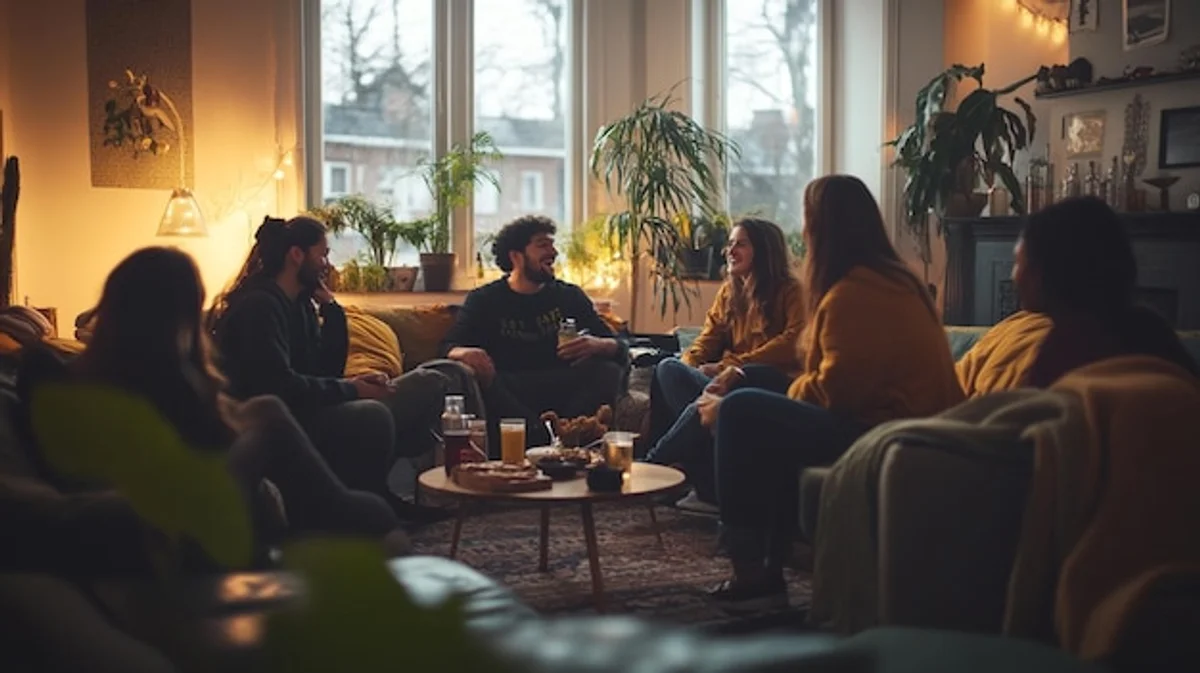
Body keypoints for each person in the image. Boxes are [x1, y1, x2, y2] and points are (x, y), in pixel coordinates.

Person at [15, 247, 404, 554]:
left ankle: (349, 519)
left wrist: (331, 314)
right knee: (270, 416)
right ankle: (362, 521)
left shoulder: (51, 371)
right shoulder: (182, 380)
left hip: (170, 504)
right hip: (180, 527)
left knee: (265, 415)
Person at [700, 175, 965, 610]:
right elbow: (834, 382)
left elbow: (836, 390)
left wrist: (737, 407)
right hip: (895, 419)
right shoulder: (894, 281)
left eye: (807, 220)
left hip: (888, 430)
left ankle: (750, 571)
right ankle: (767, 565)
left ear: (825, 228)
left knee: (741, 409)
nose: (803, 232)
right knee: (755, 386)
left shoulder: (854, 294)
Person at [209, 216, 450, 515]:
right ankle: (366, 503)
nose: (327, 263)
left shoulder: (300, 304)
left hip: (313, 407)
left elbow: (326, 373)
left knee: (431, 381)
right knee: (371, 414)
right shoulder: (259, 306)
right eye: (322, 254)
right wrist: (351, 390)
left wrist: (333, 312)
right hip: (285, 421)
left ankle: (390, 495)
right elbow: (277, 386)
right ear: (296, 255)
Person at [645, 218, 805, 512]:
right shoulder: (729, 292)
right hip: (722, 384)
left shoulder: (791, 291)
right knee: (669, 368)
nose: (730, 251)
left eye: (740, 244)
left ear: (764, 250)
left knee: (709, 396)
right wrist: (691, 365)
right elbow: (707, 340)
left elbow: (794, 342)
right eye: (730, 244)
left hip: (763, 386)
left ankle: (653, 465)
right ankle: (694, 481)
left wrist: (729, 366)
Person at [441, 215, 629, 450]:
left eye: (552, 244)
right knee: (479, 381)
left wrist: (598, 344)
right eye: (542, 245)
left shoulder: (568, 295)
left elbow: (621, 346)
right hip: (509, 388)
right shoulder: (485, 299)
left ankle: (567, 435)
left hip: (563, 384)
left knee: (608, 370)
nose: (554, 252)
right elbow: (449, 347)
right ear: (516, 256)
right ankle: (548, 439)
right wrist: (465, 353)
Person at [1011, 196, 1198, 386]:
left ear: (1044, 272)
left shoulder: (1066, 347)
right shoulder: (1152, 328)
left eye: (1019, 263)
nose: (1014, 276)